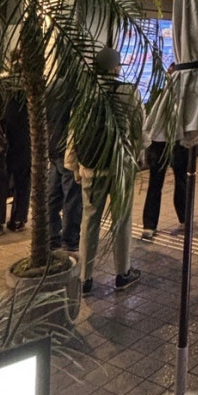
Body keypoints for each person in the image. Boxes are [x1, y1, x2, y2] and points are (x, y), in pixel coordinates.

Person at [67, 47, 141, 295]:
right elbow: (139, 131)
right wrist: (135, 157)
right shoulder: (128, 92)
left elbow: (74, 133)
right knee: (122, 219)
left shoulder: (85, 94)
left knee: (89, 221)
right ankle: (122, 273)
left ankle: (85, 279)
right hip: (120, 167)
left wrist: (74, 165)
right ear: (115, 67)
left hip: (91, 167)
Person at [141, 64, 189, 240]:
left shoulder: (164, 91)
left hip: (170, 142)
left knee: (170, 183)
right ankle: (153, 224)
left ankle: (153, 225)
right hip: (167, 143)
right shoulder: (164, 91)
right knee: (167, 182)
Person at [0, 58, 31, 235]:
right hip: (25, 141)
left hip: (0, 140)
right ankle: (18, 220)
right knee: (22, 181)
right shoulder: (33, 88)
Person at [46, 77, 82, 252]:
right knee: (72, 198)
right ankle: (70, 239)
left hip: (52, 148)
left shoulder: (50, 86)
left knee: (52, 196)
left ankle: (52, 236)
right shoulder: (77, 90)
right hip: (68, 151)